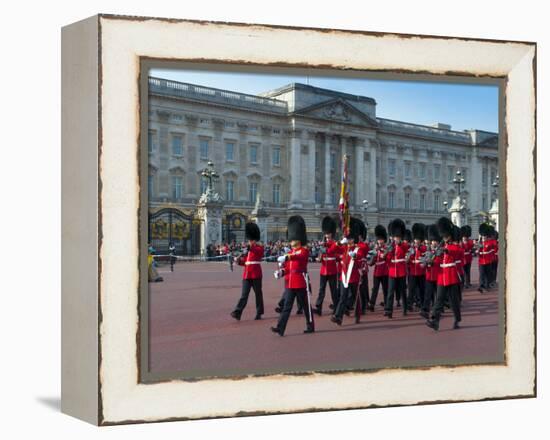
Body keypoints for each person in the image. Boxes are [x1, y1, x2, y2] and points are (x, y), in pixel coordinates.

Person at [271, 216, 314, 336]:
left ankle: (310, 325)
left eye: (293, 239)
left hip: (300, 282)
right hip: (290, 283)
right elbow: (288, 268)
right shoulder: (290, 252)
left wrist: (287, 257)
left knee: (306, 306)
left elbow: (299, 257)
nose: (291, 241)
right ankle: (280, 328)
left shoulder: (303, 251)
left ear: (298, 239)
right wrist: (281, 273)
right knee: (286, 307)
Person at [426, 217, 463, 331]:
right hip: (442, 277)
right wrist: (431, 262)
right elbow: (438, 260)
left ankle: (457, 319)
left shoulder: (455, 246)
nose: (444, 238)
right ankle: (435, 321)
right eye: (443, 236)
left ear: (450, 235)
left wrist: (447, 251)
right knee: (439, 299)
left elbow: (457, 252)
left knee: (454, 301)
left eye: (446, 236)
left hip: (452, 276)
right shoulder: (441, 246)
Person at [330, 217, 366, 325]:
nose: (349, 240)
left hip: (354, 276)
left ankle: (358, 314)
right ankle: (338, 317)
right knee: (343, 297)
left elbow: (360, 255)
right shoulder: (344, 248)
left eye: (350, 238)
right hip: (344, 277)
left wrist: (354, 255)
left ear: (353, 239)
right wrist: (339, 243)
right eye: (348, 238)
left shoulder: (357, 248)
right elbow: (331, 250)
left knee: (356, 297)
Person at [230, 222, 264, 321]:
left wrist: (249, 248)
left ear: (254, 240)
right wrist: (238, 261)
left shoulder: (258, 247)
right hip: (247, 274)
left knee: (258, 294)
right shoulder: (249, 250)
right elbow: (246, 262)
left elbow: (257, 252)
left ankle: (259, 312)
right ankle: (238, 312)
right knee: (244, 295)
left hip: (256, 273)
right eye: (249, 240)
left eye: (251, 240)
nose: (249, 241)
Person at [314, 216, 340, 316]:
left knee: (333, 290)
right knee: (321, 290)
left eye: (328, 233)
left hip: (332, 270)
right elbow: (321, 255)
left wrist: (326, 249)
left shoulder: (334, 243)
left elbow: (336, 253)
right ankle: (318, 307)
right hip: (323, 269)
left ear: (331, 233)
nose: (327, 235)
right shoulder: (323, 244)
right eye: (326, 233)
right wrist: (319, 258)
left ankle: (337, 307)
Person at [384, 219, 408, 319]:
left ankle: (405, 308)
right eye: (395, 237)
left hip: (401, 271)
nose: (396, 239)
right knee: (390, 292)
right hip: (392, 271)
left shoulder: (404, 245)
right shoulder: (390, 246)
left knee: (403, 291)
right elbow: (387, 259)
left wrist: (399, 245)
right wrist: (387, 253)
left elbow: (406, 252)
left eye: (398, 237)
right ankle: (389, 310)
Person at [420, 224, 442, 319]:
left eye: (435, 241)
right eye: (433, 241)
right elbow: (423, 261)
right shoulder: (428, 251)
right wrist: (424, 263)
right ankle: (425, 310)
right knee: (427, 294)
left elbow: (440, 262)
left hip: (438, 276)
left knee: (437, 296)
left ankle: (437, 310)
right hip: (429, 276)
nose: (434, 243)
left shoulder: (440, 251)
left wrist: (433, 262)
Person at [368, 225, 389, 311]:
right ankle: (372, 304)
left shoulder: (386, 248)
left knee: (385, 289)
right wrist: (374, 254)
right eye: (378, 239)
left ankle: (387, 303)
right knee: (375, 288)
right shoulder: (375, 249)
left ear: (384, 240)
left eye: (381, 239)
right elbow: (371, 263)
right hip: (377, 271)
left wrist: (381, 251)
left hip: (384, 271)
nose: (379, 241)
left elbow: (386, 258)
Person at [407, 223, 427, 312]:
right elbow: (408, 260)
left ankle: (423, 304)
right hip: (412, 272)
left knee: (422, 290)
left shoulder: (424, 248)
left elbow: (425, 258)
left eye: (418, 239)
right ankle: (409, 304)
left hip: (421, 272)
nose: (416, 241)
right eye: (415, 239)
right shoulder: (411, 248)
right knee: (411, 290)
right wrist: (408, 257)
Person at [478, 223, 497, 293]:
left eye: (484, 237)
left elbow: (494, 249)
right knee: (481, 274)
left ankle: (487, 285)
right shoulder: (479, 243)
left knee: (487, 274)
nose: (483, 238)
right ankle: (480, 286)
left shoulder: (490, 243)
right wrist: (477, 249)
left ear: (486, 236)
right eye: (483, 237)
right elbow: (477, 252)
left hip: (488, 261)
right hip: (481, 261)